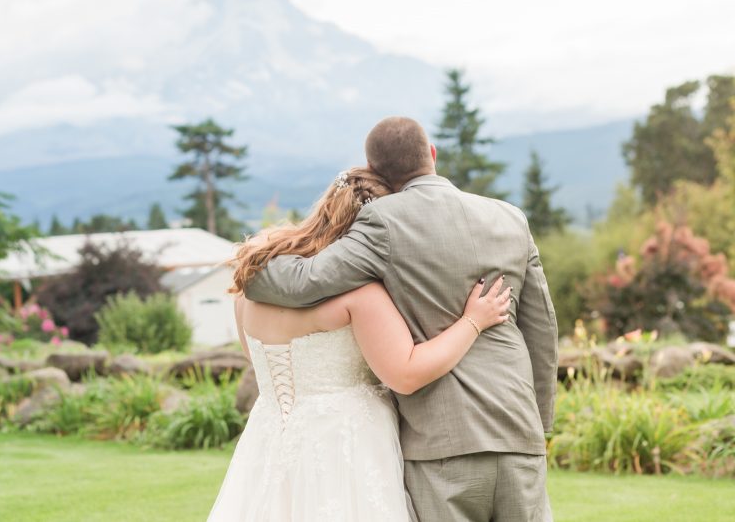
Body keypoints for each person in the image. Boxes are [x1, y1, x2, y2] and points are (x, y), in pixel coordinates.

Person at [243, 117, 558, 522]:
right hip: (518, 430)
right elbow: (541, 330)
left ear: (375, 170)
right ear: (432, 154)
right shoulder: (510, 218)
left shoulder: (383, 221)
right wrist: (539, 423)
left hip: (440, 441)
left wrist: (248, 266)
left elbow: (307, 282)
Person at [208, 166, 512, 521]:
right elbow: (406, 373)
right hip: (346, 444)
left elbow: (256, 361)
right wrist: (473, 321)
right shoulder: (359, 295)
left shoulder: (251, 285)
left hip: (268, 440)